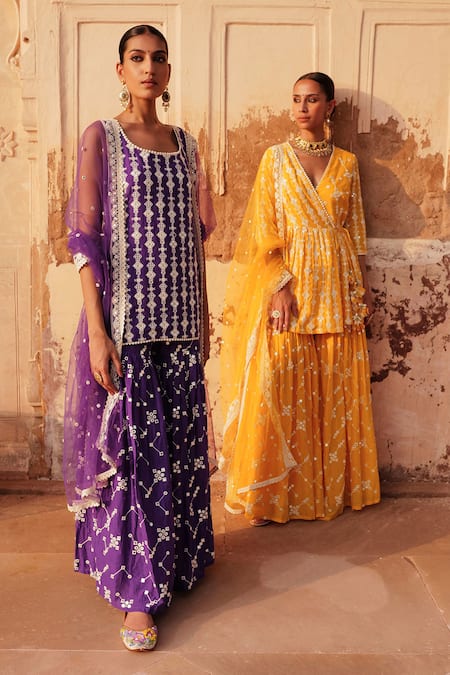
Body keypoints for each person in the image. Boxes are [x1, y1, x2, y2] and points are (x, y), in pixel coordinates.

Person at [63, 24, 216, 652]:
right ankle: (137, 593)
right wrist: (98, 331)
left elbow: (193, 241)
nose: (148, 68)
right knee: (132, 460)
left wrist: (202, 316)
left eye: (158, 59)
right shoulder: (102, 137)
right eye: (136, 58)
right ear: (120, 70)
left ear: (168, 72)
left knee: (177, 453)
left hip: (178, 325)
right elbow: (82, 239)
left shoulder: (187, 144)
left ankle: (178, 560)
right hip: (126, 328)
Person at [220, 72, 380, 527]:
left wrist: (361, 286)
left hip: (337, 285)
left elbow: (355, 231)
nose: (302, 108)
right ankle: (271, 495)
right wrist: (279, 287)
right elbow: (264, 228)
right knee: (279, 384)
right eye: (296, 100)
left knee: (333, 386)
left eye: (311, 100)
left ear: (330, 107)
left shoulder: (347, 163)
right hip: (289, 283)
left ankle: (330, 490)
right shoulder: (275, 159)